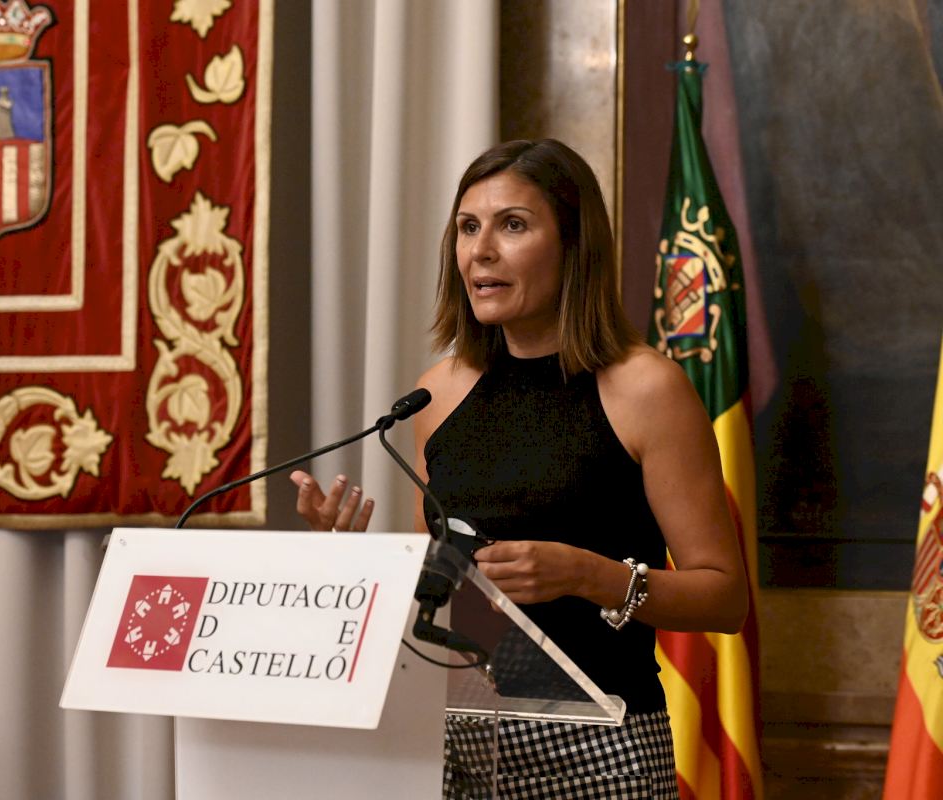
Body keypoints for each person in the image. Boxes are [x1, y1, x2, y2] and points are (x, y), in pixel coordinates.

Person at [290, 139, 748, 799]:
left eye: (512, 225)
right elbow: (440, 595)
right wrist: (355, 560)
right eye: (467, 227)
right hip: (453, 742)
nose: (480, 251)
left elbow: (725, 599)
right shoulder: (438, 392)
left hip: (599, 751)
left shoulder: (645, 389)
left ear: (573, 245)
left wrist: (590, 576)